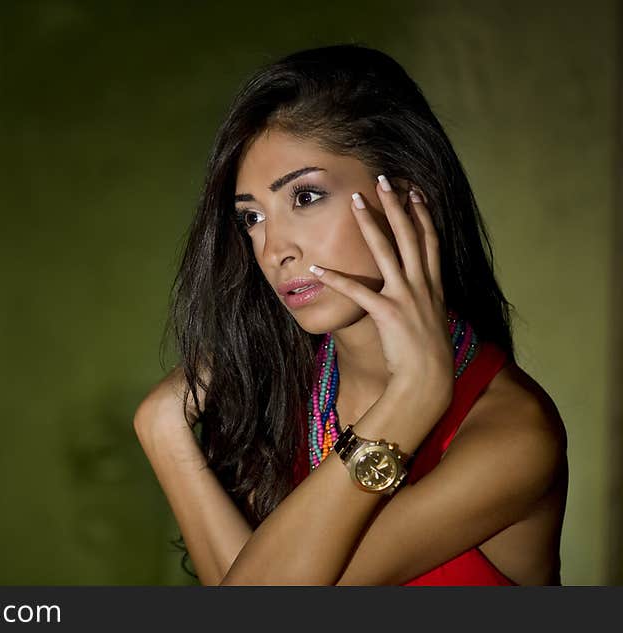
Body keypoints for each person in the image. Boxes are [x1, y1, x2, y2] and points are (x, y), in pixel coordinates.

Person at [132, 44, 568, 586]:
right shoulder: (287, 402)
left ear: (408, 196)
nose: (273, 250)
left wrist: (413, 400)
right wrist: (163, 431)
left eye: (307, 196)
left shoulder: (514, 436)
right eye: (251, 217)